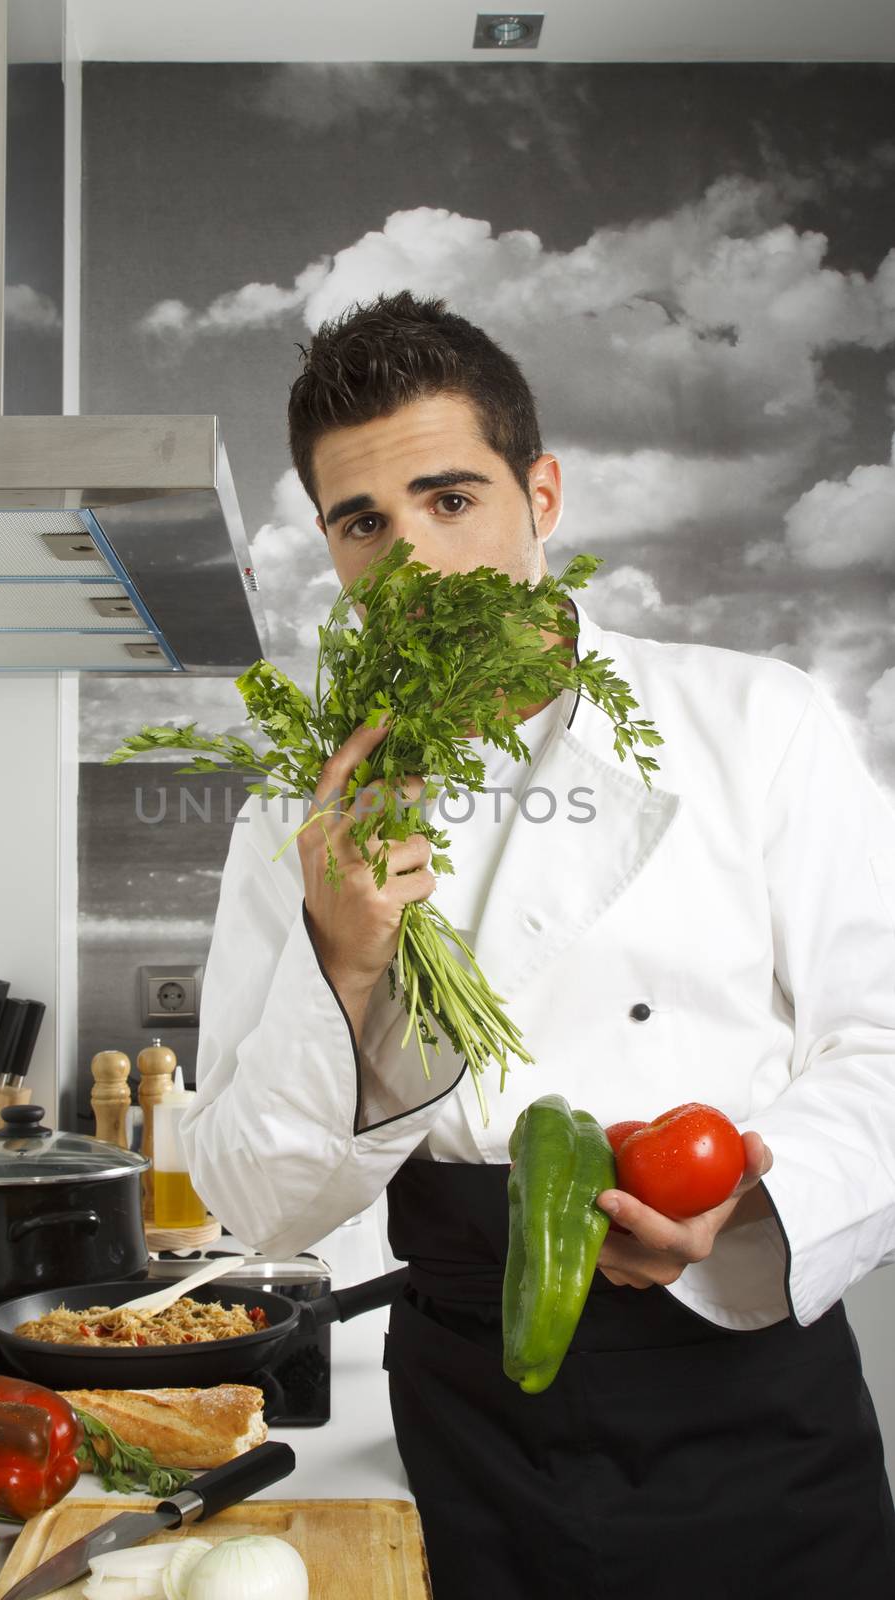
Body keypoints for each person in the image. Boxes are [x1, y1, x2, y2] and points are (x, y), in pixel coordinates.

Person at [179, 289, 895, 1597]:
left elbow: (886, 1039)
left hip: (742, 1381)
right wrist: (343, 959)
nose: (411, 561)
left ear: (542, 494)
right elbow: (252, 1194)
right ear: (328, 545)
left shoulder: (759, 723)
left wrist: (745, 1210)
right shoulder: (301, 801)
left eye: (451, 501)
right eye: (363, 522)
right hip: (467, 1397)